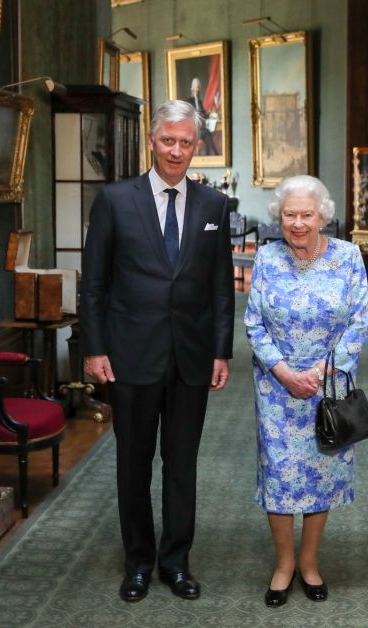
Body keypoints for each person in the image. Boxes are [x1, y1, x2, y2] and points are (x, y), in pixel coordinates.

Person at [81, 100, 234, 604]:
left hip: (191, 357)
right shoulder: (115, 200)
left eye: (185, 142)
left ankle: (176, 562)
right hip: (130, 355)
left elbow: (220, 289)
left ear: (197, 146)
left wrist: (220, 351)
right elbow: (95, 283)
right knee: (134, 463)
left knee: (182, 464)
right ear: (152, 141)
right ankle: (139, 563)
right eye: (168, 140)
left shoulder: (213, 206)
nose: (176, 150)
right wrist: (94, 347)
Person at [244, 175, 368, 607]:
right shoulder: (266, 258)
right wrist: (282, 372)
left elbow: (358, 320)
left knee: (322, 470)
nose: (298, 223)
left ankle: (310, 563)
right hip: (275, 385)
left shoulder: (349, 257)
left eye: (306, 215)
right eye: (289, 214)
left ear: (323, 217)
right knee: (278, 473)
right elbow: (253, 322)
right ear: (280, 216)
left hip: (327, 385)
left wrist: (320, 372)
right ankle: (283, 565)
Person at [188, 77, 219, 156]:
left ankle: (209, 155)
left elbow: (204, 112)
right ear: (192, 88)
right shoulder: (189, 101)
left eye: (198, 87)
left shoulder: (199, 101)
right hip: (193, 128)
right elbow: (189, 114)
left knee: (208, 135)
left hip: (200, 126)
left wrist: (210, 115)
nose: (197, 89)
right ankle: (215, 154)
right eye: (195, 87)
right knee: (207, 134)